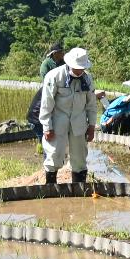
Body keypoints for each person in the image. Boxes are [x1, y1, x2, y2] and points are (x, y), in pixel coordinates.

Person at [39, 47, 98, 191]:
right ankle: (51, 190)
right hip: (57, 122)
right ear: (69, 64)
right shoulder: (54, 76)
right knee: (54, 155)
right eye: (77, 68)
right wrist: (47, 127)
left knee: (79, 159)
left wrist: (91, 127)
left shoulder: (87, 79)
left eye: (82, 68)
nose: (79, 71)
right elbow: (46, 104)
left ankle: (79, 192)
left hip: (79, 123)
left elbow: (91, 104)